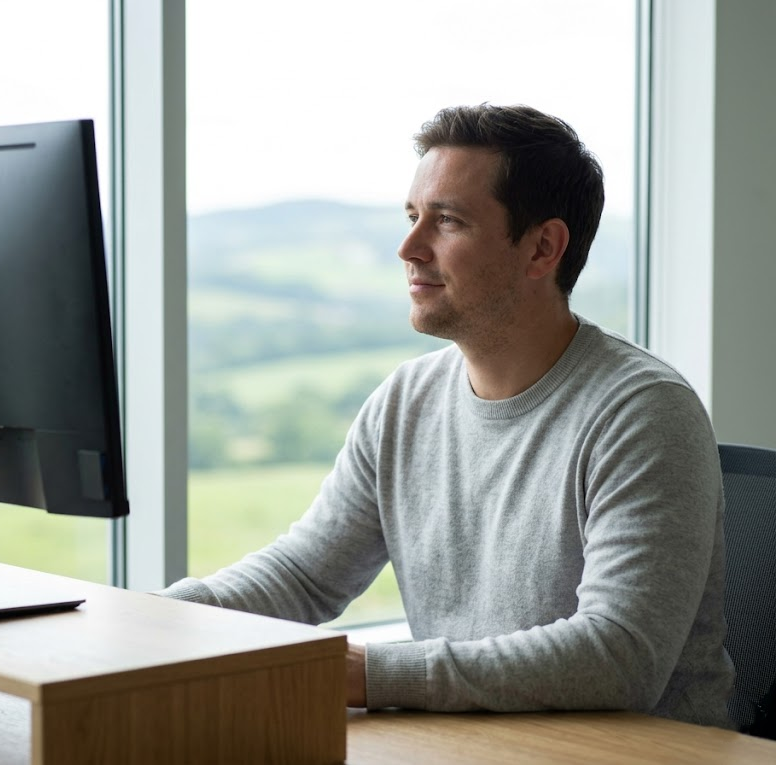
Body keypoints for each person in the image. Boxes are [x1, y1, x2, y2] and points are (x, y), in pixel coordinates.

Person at [160, 104, 735, 728]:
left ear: (543, 247)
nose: (409, 248)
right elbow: (302, 577)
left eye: (448, 222)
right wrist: (155, 617)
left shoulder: (643, 412)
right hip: (477, 740)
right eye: (412, 217)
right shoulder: (406, 401)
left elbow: (619, 656)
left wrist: (368, 674)